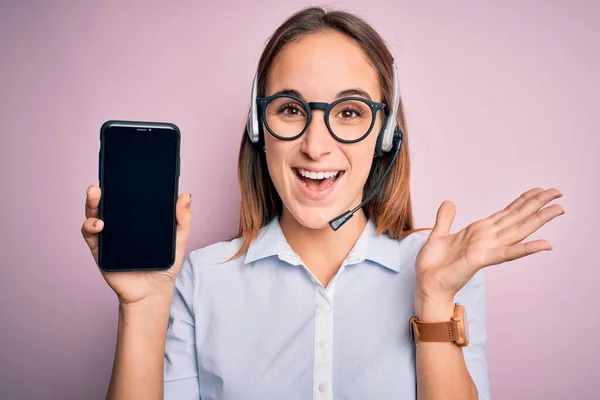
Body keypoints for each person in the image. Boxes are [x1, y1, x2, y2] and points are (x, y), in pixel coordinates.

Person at [81, 6, 564, 400]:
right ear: (257, 127)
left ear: (386, 134)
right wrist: (142, 309)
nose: (316, 145)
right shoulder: (201, 279)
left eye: (350, 112)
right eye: (290, 109)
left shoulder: (447, 270)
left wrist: (435, 301)